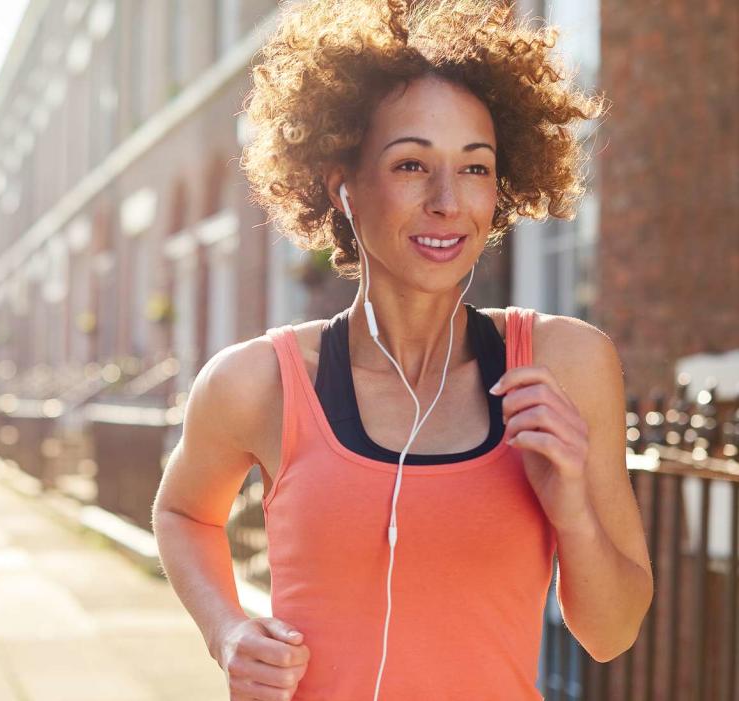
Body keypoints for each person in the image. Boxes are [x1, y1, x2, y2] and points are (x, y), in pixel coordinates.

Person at [152, 0, 654, 698]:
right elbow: (182, 513)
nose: (449, 201)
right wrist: (228, 629)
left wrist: (570, 504)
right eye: (412, 164)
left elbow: (611, 632)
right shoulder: (257, 382)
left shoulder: (562, 365)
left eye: (475, 169)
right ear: (343, 185)